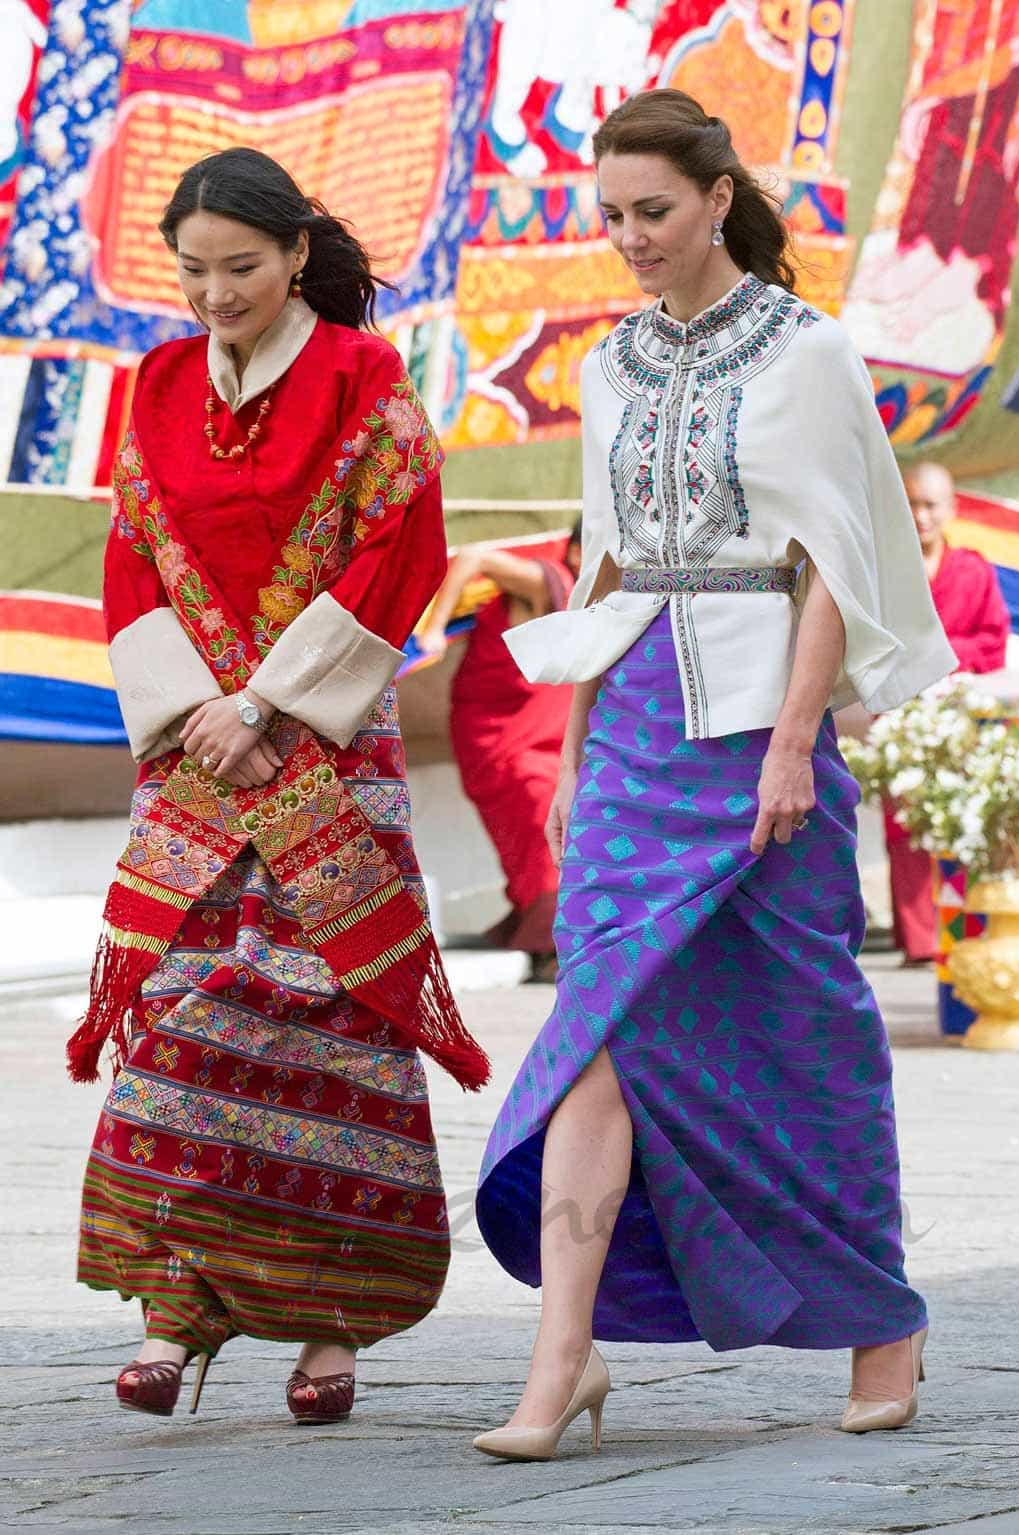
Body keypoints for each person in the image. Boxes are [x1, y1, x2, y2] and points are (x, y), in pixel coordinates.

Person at [471, 89, 958, 1462]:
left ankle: (880, 1320)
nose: (626, 237)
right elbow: (601, 559)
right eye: (610, 215)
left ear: (716, 199)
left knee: (810, 1035)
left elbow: (832, 561)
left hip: (762, 733)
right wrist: (571, 753)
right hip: (631, 728)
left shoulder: (808, 353)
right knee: (593, 1044)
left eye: (651, 212)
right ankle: (560, 1358)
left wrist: (797, 739)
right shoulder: (609, 362)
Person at [67, 147, 488, 1425]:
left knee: (328, 1022)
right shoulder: (155, 381)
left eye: (239, 267)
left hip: (322, 748)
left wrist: (269, 702)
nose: (212, 293)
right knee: (186, 1013)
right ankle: (171, 1314)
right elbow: (133, 555)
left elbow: (403, 547)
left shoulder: (367, 376)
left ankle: (328, 1330)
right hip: (196, 752)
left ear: (298, 252)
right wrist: (204, 709)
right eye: (192, 270)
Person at [418, 527, 582, 980]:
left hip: (547, 743)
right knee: (539, 823)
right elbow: (473, 556)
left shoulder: (592, 601)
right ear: (575, 551)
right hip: (502, 739)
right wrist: (433, 630)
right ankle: (551, 950)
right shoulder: (546, 581)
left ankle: (552, 943)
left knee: (556, 833)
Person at [885, 462, 1011, 963]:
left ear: (952, 509)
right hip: (901, 712)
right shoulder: (888, 575)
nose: (920, 516)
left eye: (930, 505)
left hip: (959, 717)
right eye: (912, 503)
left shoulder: (974, 571)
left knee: (959, 819)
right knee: (905, 826)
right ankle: (920, 942)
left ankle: (961, 935)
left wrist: (938, 655)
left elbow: (993, 642)